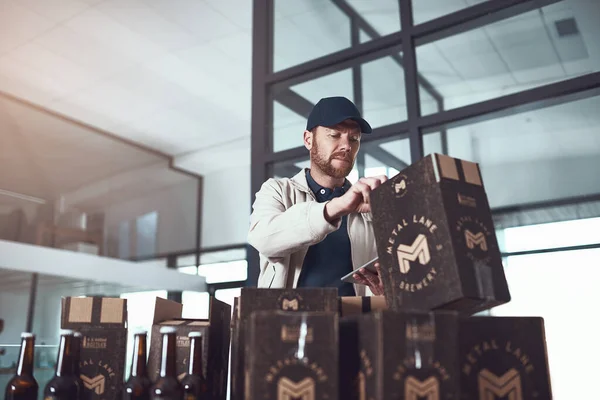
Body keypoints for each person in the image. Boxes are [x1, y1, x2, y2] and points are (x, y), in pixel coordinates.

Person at [247, 96, 388, 297]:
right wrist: (334, 208)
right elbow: (262, 239)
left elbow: (380, 280)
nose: (346, 146)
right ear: (308, 139)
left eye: (354, 139)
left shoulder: (370, 206)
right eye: (334, 135)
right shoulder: (277, 190)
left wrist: (385, 291)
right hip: (288, 323)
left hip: (356, 323)